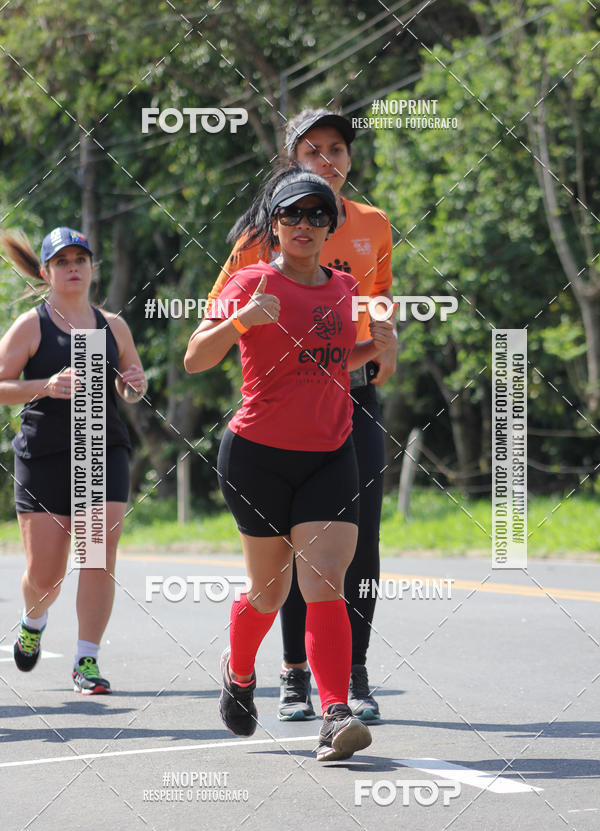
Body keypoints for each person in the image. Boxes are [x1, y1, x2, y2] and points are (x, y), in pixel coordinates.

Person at [185, 168, 395, 761]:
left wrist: (377, 348)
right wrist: (240, 320)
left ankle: (334, 714)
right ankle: (241, 671)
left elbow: (334, 360)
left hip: (331, 453)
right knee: (270, 591)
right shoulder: (250, 280)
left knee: (325, 580)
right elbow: (196, 359)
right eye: (291, 215)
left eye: (316, 216)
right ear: (273, 224)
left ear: (330, 226)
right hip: (257, 458)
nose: (304, 225)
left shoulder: (345, 290)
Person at [0, 226, 147, 694]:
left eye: (79, 260)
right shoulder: (32, 325)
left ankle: (86, 661)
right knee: (45, 577)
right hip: (43, 454)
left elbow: (129, 383)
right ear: (46, 272)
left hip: (100, 449)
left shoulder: (112, 326)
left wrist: (133, 384)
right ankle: (34, 618)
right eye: (61, 262)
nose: (72, 269)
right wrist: (43, 385)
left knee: (97, 557)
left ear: (91, 269)